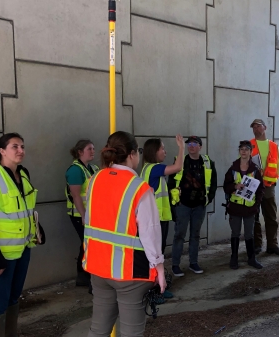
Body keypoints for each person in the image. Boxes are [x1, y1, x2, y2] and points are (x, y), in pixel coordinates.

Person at [83, 131, 166, 337]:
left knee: (98, 330)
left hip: (98, 267)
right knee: (131, 333)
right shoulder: (139, 187)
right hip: (130, 272)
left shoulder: (94, 179)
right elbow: (150, 234)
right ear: (132, 154)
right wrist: (160, 270)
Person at [0, 133, 45, 336]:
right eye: (15, 146)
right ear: (2, 151)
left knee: (14, 296)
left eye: (22, 146)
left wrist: (39, 230)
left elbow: (26, 210)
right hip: (0, 252)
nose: (21, 150)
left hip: (23, 247)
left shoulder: (23, 174)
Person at [141, 134, 184, 299]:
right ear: (154, 151)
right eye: (162, 148)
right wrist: (181, 148)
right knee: (156, 255)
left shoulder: (146, 169)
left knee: (153, 254)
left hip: (153, 218)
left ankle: (154, 287)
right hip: (157, 219)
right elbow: (178, 167)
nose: (165, 152)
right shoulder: (154, 168)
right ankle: (156, 289)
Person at [167, 136, 217, 277]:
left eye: (195, 143)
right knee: (179, 235)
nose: (191, 146)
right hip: (183, 205)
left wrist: (207, 199)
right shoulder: (180, 160)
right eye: (189, 143)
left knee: (195, 235)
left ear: (200, 146)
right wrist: (175, 201)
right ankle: (176, 265)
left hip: (199, 206)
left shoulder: (208, 163)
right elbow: (171, 182)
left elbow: (213, 184)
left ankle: (193, 263)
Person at [223, 140, 265, 270]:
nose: (244, 151)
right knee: (235, 233)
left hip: (249, 208)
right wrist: (235, 186)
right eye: (241, 149)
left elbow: (260, 189)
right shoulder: (233, 168)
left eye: (246, 149)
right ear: (239, 151)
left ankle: (251, 259)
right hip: (235, 207)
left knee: (249, 235)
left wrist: (256, 205)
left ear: (251, 152)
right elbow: (226, 186)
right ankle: (234, 258)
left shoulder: (255, 170)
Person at [65, 139, 99, 286]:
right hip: (80, 215)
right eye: (89, 149)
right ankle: (83, 275)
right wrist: (84, 215)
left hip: (91, 214)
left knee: (87, 244)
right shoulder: (75, 170)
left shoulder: (93, 168)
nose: (92, 151)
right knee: (87, 244)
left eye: (93, 148)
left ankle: (84, 275)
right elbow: (76, 195)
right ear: (80, 152)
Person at [249, 119, 279, 255]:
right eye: (254, 127)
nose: (256, 129)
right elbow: (242, 163)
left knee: (271, 217)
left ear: (265, 127)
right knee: (254, 217)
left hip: (269, 187)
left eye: (258, 126)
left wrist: (275, 179)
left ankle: (272, 245)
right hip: (253, 187)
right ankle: (256, 245)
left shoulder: (274, 146)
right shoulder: (249, 145)